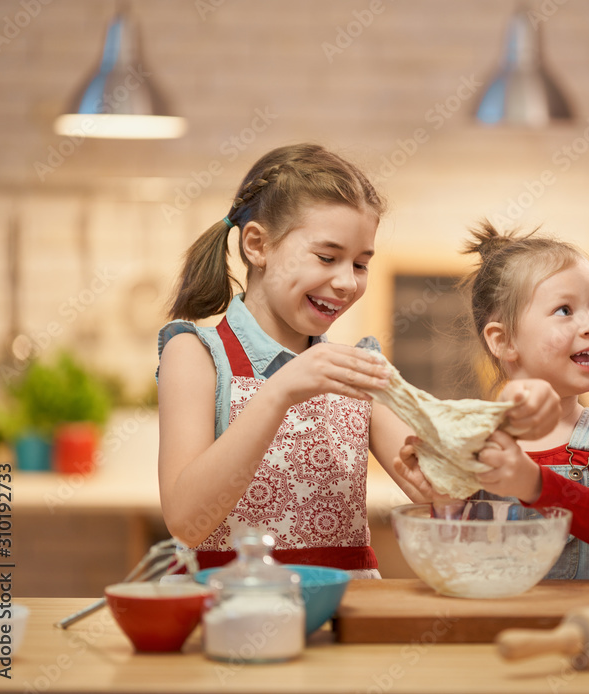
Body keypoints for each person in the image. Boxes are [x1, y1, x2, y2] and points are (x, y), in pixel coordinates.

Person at [156, 144, 559, 578]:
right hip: (235, 606)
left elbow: (443, 493)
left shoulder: (360, 369)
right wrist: (279, 392)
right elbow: (186, 521)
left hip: (348, 609)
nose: (347, 282)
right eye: (327, 257)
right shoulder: (197, 354)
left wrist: (507, 418)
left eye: (361, 264)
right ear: (257, 245)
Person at [401, 221, 589, 580]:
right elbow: (455, 551)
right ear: (503, 341)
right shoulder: (471, 440)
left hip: (580, 629)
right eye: (564, 310)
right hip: (491, 624)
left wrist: (534, 483)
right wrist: (442, 500)